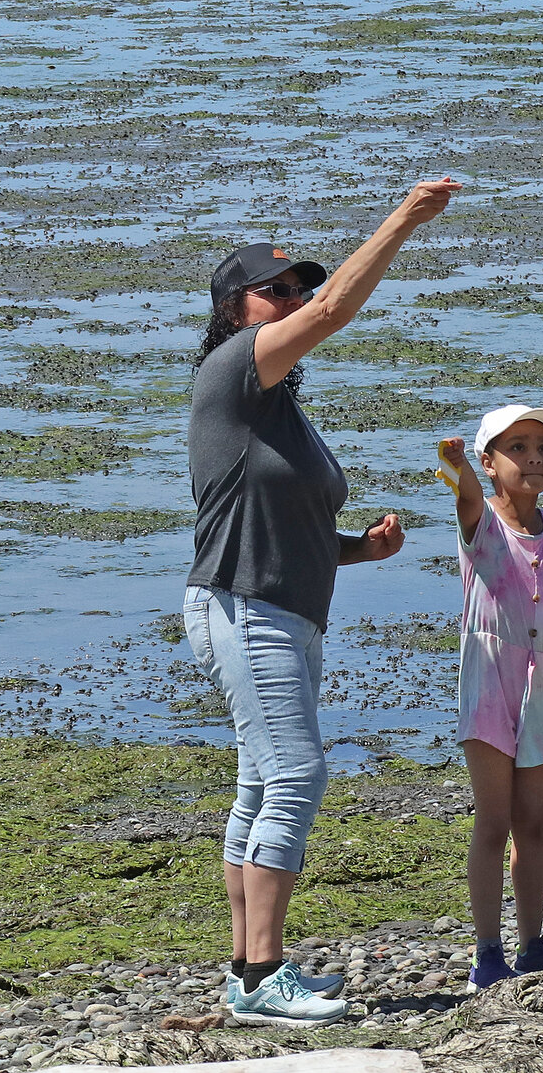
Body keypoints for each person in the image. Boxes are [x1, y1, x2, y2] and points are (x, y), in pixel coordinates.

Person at [183, 177, 461, 1027]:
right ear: (237, 309)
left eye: (298, 288)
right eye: (278, 290)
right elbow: (341, 305)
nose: (297, 299)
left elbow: (280, 522)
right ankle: (266, 976)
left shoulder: (280, 410)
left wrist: (360, 550)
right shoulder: (234, 368)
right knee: (297, 775)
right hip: (245, 605)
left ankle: (245, 970)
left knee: (261, 779)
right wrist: (405, 219)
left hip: (284, 606)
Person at [438, 404, 543, 992]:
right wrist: (455, 466)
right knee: (494, 819)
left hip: (542, 683)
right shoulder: (482, 524)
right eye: (518, 448)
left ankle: (534, 945)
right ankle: (487, 951)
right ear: (490, 463)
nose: (534, 458)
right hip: (489, 679)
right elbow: (465, 500)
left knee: (531, 822)